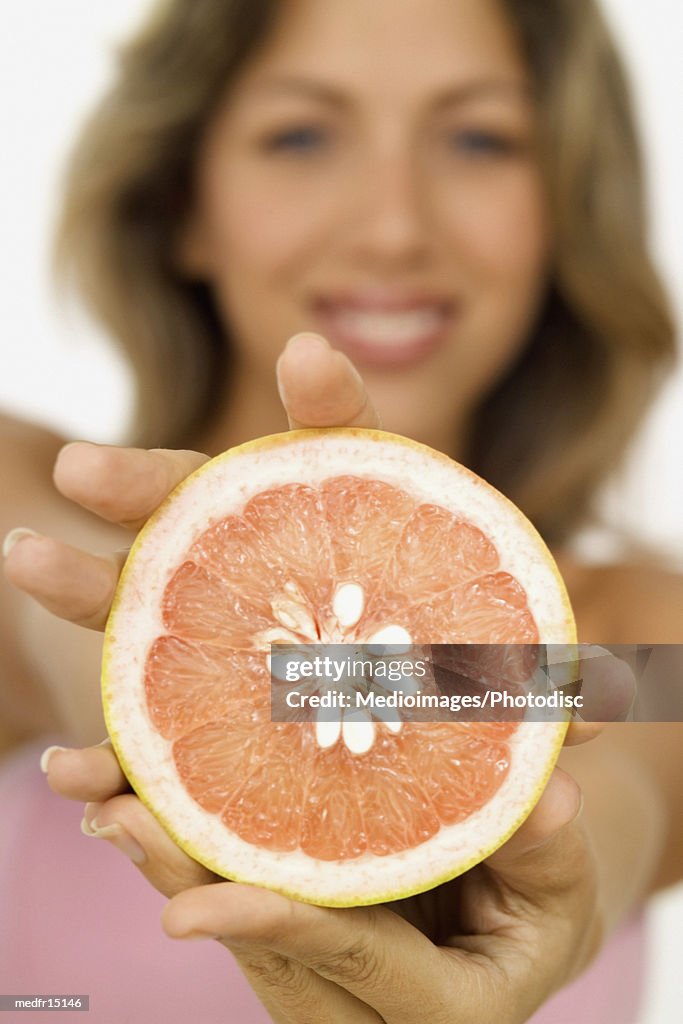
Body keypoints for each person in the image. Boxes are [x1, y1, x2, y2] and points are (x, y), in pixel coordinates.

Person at [1, 0, 682, 1021]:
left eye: (478, 138)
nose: (393, 226)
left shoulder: (643, 628)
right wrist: (177, 627)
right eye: (301, 134)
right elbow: (48, 613)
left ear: (563, 208)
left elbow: (615, 778)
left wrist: (538, 900)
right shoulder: (29, 489)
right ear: (184, 202)